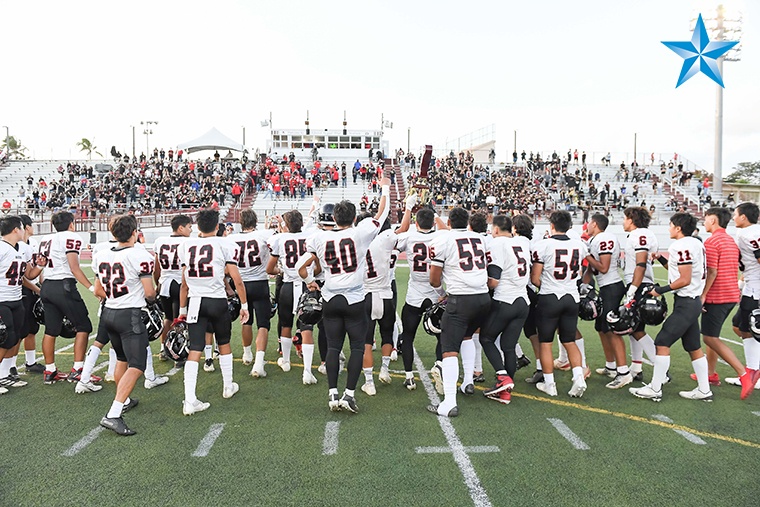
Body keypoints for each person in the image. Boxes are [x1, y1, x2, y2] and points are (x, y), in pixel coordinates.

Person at [297, 178, 391, 413]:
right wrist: (386, 187)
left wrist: (310, 282)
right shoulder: (360, 233)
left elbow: (301, 265)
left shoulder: (320, 237)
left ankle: (332, 394)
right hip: (355, 298)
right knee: (358, 346)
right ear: (353, 217)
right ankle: (349, 394)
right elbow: (383, 210)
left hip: (330, 297)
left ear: (334, 218)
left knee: (333, 347)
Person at [630, 213, 709, 401]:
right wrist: (661, 259)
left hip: (687, 302)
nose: (669, 228)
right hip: (691, 301)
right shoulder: (696, 243)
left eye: (671, 225)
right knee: (693, 346)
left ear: (678, 228)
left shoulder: (681, 245)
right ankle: (704, 390)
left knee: (662, 342)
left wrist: (660, 290)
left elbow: (684, 279)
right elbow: (679, 273)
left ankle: (655, 388)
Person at [178, 209, 250, 415]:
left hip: (194, 301)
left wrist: (182, 310)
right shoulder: (225, 244)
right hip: (217, 300)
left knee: (195, 348)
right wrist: (244, 305)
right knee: (224, 342)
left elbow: (184, 282)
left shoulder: (186, 245)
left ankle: (189, 400)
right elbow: (237, 279)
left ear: (198, 226)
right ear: (217, 226)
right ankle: (228, 386)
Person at [92, 215, 157, 435]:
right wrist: (152, 301)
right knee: (137, 365)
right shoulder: (139, 254)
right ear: (134, 232)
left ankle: (124, 399)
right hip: (129, 314)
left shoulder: (102, 253)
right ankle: (113, 413)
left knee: (121, 358)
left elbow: (97, 289)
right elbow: (149, 292)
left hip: (109, 312)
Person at [426, 207, 491, 417]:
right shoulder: (481, 239)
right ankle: (468, 383)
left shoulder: (443, 240)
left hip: (460, 300)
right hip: (483, 298)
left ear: (449, 222)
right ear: (468, 222)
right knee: (468, 337)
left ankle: (449, 403)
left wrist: (442, 293)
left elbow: (434, 279)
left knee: (449, 350)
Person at [530, 210, 588, 398]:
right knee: (569, 341)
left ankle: (550, 384)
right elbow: (580, 270)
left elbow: (535, 277)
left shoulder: (543, 245)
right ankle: (578, 377)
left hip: (550, 297)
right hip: (572, 297)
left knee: (545, 343)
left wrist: (548, 285)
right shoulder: (579, 245)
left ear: (552, 226)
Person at [694, 207, 751, 396]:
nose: (704, 221)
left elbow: (712, 272)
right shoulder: (731, 241)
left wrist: (703, 295)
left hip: (717, 296)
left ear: (713, 220)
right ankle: (711, 373)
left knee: (709, 337)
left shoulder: (712, 242)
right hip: (731, 295)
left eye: (706, 218)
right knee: (713, 334)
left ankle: (743, 374)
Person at [394, 206, 448, 391]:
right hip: (436, 293)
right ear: (433, 222)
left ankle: (409, 376)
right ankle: (439, 365)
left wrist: (408, 210)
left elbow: (394, 238)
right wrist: (436, 215)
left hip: (415, 293)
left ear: (416, 223)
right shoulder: (441, 237)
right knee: (441, 336)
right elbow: (448, 231)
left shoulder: (408, 237)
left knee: (408, 337)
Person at [37, 211, 94, 384]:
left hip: (47, 286)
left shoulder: (45, 239)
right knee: (83, 326)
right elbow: (74, 267)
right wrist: (92, 288)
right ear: (71, 224)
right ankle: (78, 369)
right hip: (63, 286)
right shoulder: (71, 237)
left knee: (51, 330)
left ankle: (50, 371)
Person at [480, 215, 530, 404]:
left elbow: (494, 281)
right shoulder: (522, 243)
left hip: (505, 300)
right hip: (522, 301)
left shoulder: (497, 244)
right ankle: (506, 391)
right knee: (509, 346)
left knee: (486, 338)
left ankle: (503, 379)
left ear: (495, 229)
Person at [583, 213, 630, 388]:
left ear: (594, 224)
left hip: (611, 287)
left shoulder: (604, 238)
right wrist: (582, 287)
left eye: (589, 223)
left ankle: (623, 372)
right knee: (601, 328)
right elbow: (590, 270)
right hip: (605, 288)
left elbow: (603, 267)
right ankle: (611, 366)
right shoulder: (595, 240)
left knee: (611, 330)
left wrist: (586, 255)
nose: (587, 226)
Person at [0, 216, 43, 392]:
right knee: (4, 338)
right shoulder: (2, 248)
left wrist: (40, 266)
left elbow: (28, 275)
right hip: (2, 299)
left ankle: (4, 375)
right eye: (22, 228)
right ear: (16, 230)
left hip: (16, 298)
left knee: (15, 337)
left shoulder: (21, 248)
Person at [230, 210, 274, 374]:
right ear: (255, 222)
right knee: (263, 323)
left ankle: (247, 354)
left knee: (246, 320)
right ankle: (258, 363)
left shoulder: (231, 238)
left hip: (240, 284)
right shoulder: (264, 235)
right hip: (260, 282)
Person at [621, 206, 659, 380]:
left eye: (625, 218)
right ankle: (636, 367)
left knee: (635, 328)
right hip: (640, 281)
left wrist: (633, 289)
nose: (623, 221)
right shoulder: (643, 234)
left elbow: (641, 263)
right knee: (634, 327)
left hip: (640, 282)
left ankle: (661, 368)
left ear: (632, 219)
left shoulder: (639, 235)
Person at [153, 214, 193, 363]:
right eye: (189, 227)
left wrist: (157, 284)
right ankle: (178, 354)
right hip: (179, 284)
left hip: (164, 284)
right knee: (179, 321)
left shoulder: (160, 241)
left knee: (168, 318)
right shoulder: (188, 242)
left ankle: (164, 349)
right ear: (181, 227)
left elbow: (156, 268)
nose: (191, 230)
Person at [730, 202, 760, 394]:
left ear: (743, 217)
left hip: (756, 289)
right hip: (751, 285)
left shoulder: (751, 234)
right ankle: (751, 370)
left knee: (750, 328)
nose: (734, 217)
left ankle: (752, 372)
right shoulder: (747, 233)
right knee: (739, 325)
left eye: (736, 214)